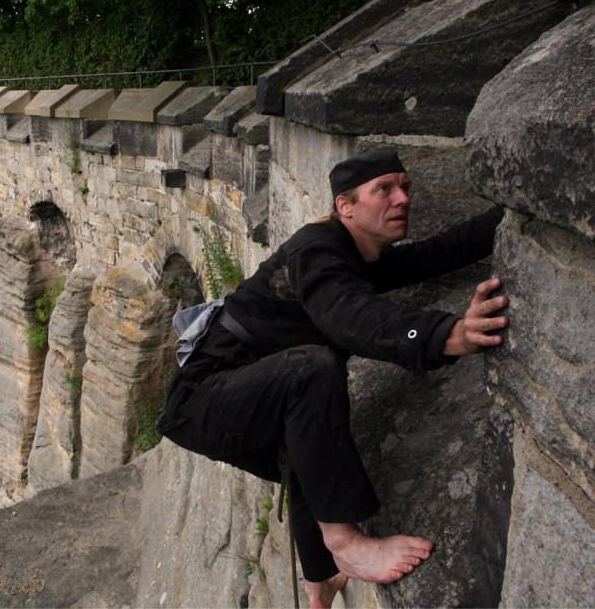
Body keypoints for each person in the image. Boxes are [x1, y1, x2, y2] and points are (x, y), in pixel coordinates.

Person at [156, 150, 508, 609]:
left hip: (232, 396)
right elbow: (347, 316)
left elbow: (441, 252)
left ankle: (320, 579)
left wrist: (512, 213)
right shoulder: (318, 250)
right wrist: (450, 334)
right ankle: (345, 542)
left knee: (310, 433)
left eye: (405, 187)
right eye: (385, 189)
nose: (402, 198)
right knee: (312, 370)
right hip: (202, 400)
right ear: (346, 206)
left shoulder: (359, 256)